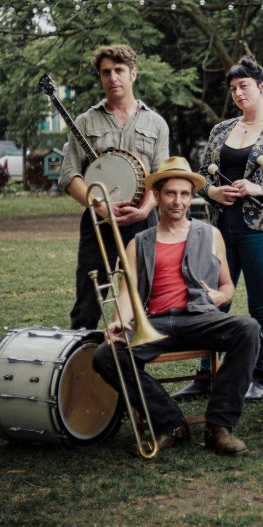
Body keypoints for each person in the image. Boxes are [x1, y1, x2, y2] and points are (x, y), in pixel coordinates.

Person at [92, 157, 259, 456]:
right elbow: (128, 294)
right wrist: (118, 321)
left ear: (191, 196)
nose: (177, 201)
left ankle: (218, 426)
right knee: (106, 355)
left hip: (198, 318)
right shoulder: (138, 243)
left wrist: (221, 297)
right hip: (154, 322)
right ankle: (169, 422)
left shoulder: (211, 234)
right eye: (170, 193)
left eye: (184, 194)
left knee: (248, 328)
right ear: (156, 196)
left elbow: (227, 287)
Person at [172, 56, 263, 403]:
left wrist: (257, 189)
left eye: (244, 86)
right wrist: (212, 192)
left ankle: (255, 377)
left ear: (262, 87)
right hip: (220, 230)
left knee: (261, 306)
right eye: (233, 88)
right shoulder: (220, 130)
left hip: (262, 230)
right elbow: (201, 176)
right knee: (211, 300)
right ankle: (204, 373)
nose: (238, 93)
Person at [58, 44, 169, 331]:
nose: (113, 77)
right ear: (100, 78)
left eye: (119, 70)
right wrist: (99, 205)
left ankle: (134, 368)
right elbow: (70, 176)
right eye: (106, 72)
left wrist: (145, 209)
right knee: (89, 297)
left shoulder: (156, 123)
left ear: (133, 73)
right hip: (99, 221)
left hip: (142, 220)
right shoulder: (84, 121)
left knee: (140, 295)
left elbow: (162, 177)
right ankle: (81, 369)